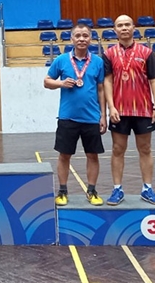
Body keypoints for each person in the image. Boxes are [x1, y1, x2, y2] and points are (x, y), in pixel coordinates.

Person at [102, 14, 155, 206]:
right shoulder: (109, 54)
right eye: (120, 25)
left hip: (143, 110)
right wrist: (111, 107)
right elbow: (107, 81)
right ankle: (117, 189)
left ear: (133, 28)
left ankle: (147, 189)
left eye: (127, 24)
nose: (124, 28)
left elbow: (154, 81)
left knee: (145, 149)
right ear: (115, 30)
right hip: (119, 111)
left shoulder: (146, 52)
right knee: (117, 149)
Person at [44, 24, 107, 206]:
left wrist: (103, 116)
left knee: (92, 155)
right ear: (71, 39)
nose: (81, 39)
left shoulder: (98, 62)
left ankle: (92, 191)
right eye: (77, 35)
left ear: (90, 39)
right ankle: (62, 191)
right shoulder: (61, 60)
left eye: (85, 35)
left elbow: (101, 89)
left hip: (91, 118)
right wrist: (61, 83)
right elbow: (47, 81)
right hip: (67, 118)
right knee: (64, 155)